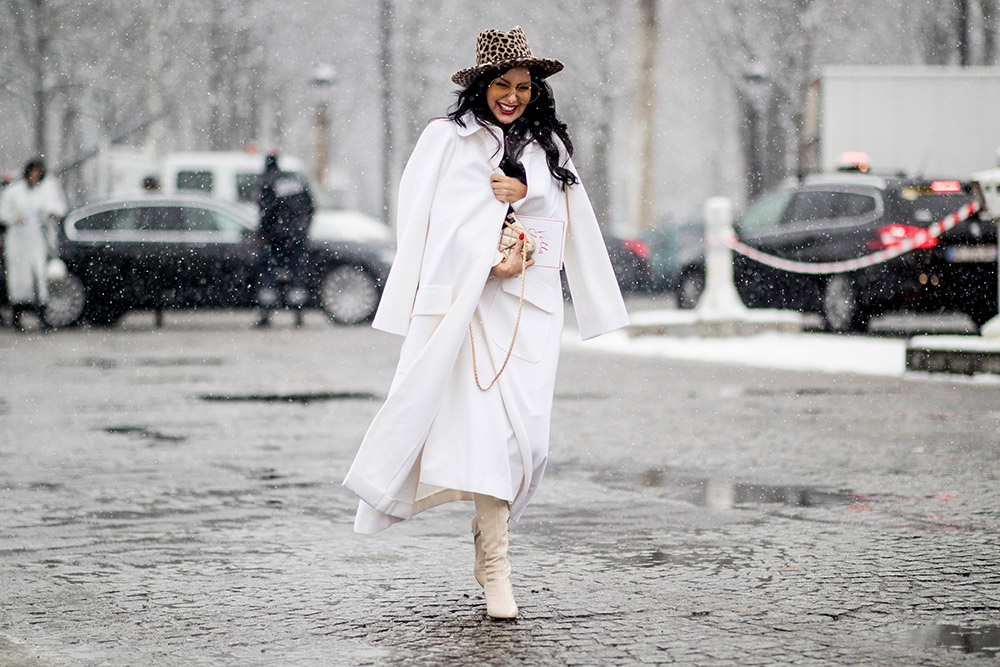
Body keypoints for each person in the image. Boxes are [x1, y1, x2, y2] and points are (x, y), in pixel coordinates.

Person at [343, 26, 629, 619]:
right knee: (483, 440)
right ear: (480, 84)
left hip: (529, 313)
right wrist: (481, 259)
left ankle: (486, 538)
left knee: (527, 445)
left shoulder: (548, 146)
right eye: (502, 84)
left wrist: (524, 198)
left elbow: (566, 229)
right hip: (463, 312)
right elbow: (423, 225)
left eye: (523, 86)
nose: (512, 96)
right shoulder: (445, 140)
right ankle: (497, 564)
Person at [0, 158, 67, 331]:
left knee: (38, 277)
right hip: (17, 239)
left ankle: (42, 317)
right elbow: (3, 212)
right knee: (19, 279)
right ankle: (17, 316)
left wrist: (49, 213)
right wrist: (15, 218)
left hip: (36, 238)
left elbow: (57, 207)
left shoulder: (44, 191)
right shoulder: (14, 191)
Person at [255, 152, 313, 327]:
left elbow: (267, 211)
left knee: (267, 273)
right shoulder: (294, 180)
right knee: (297, 273)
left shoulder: (267, 181)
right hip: (297, 235)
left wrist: (263, 233)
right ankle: (298, 315)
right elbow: (311, 207)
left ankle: (266, 314)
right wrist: (303, 229)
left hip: (276, 237)